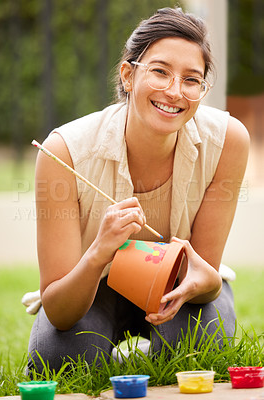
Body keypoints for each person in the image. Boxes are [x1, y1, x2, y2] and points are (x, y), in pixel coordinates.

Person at [27, 7, 249, 373]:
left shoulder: (228, 140)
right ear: (128, 75)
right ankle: (117, 351)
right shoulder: (63, 151)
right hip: (93, 286)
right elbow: (60, 310)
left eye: (191, 79)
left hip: (174, 285)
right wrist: (98, 251)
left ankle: (141, 357)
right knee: (60, 355)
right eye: (160, 71)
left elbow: (203, 277)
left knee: (201, 342)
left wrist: (208, 282)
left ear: (202, 89)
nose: (175, 92)